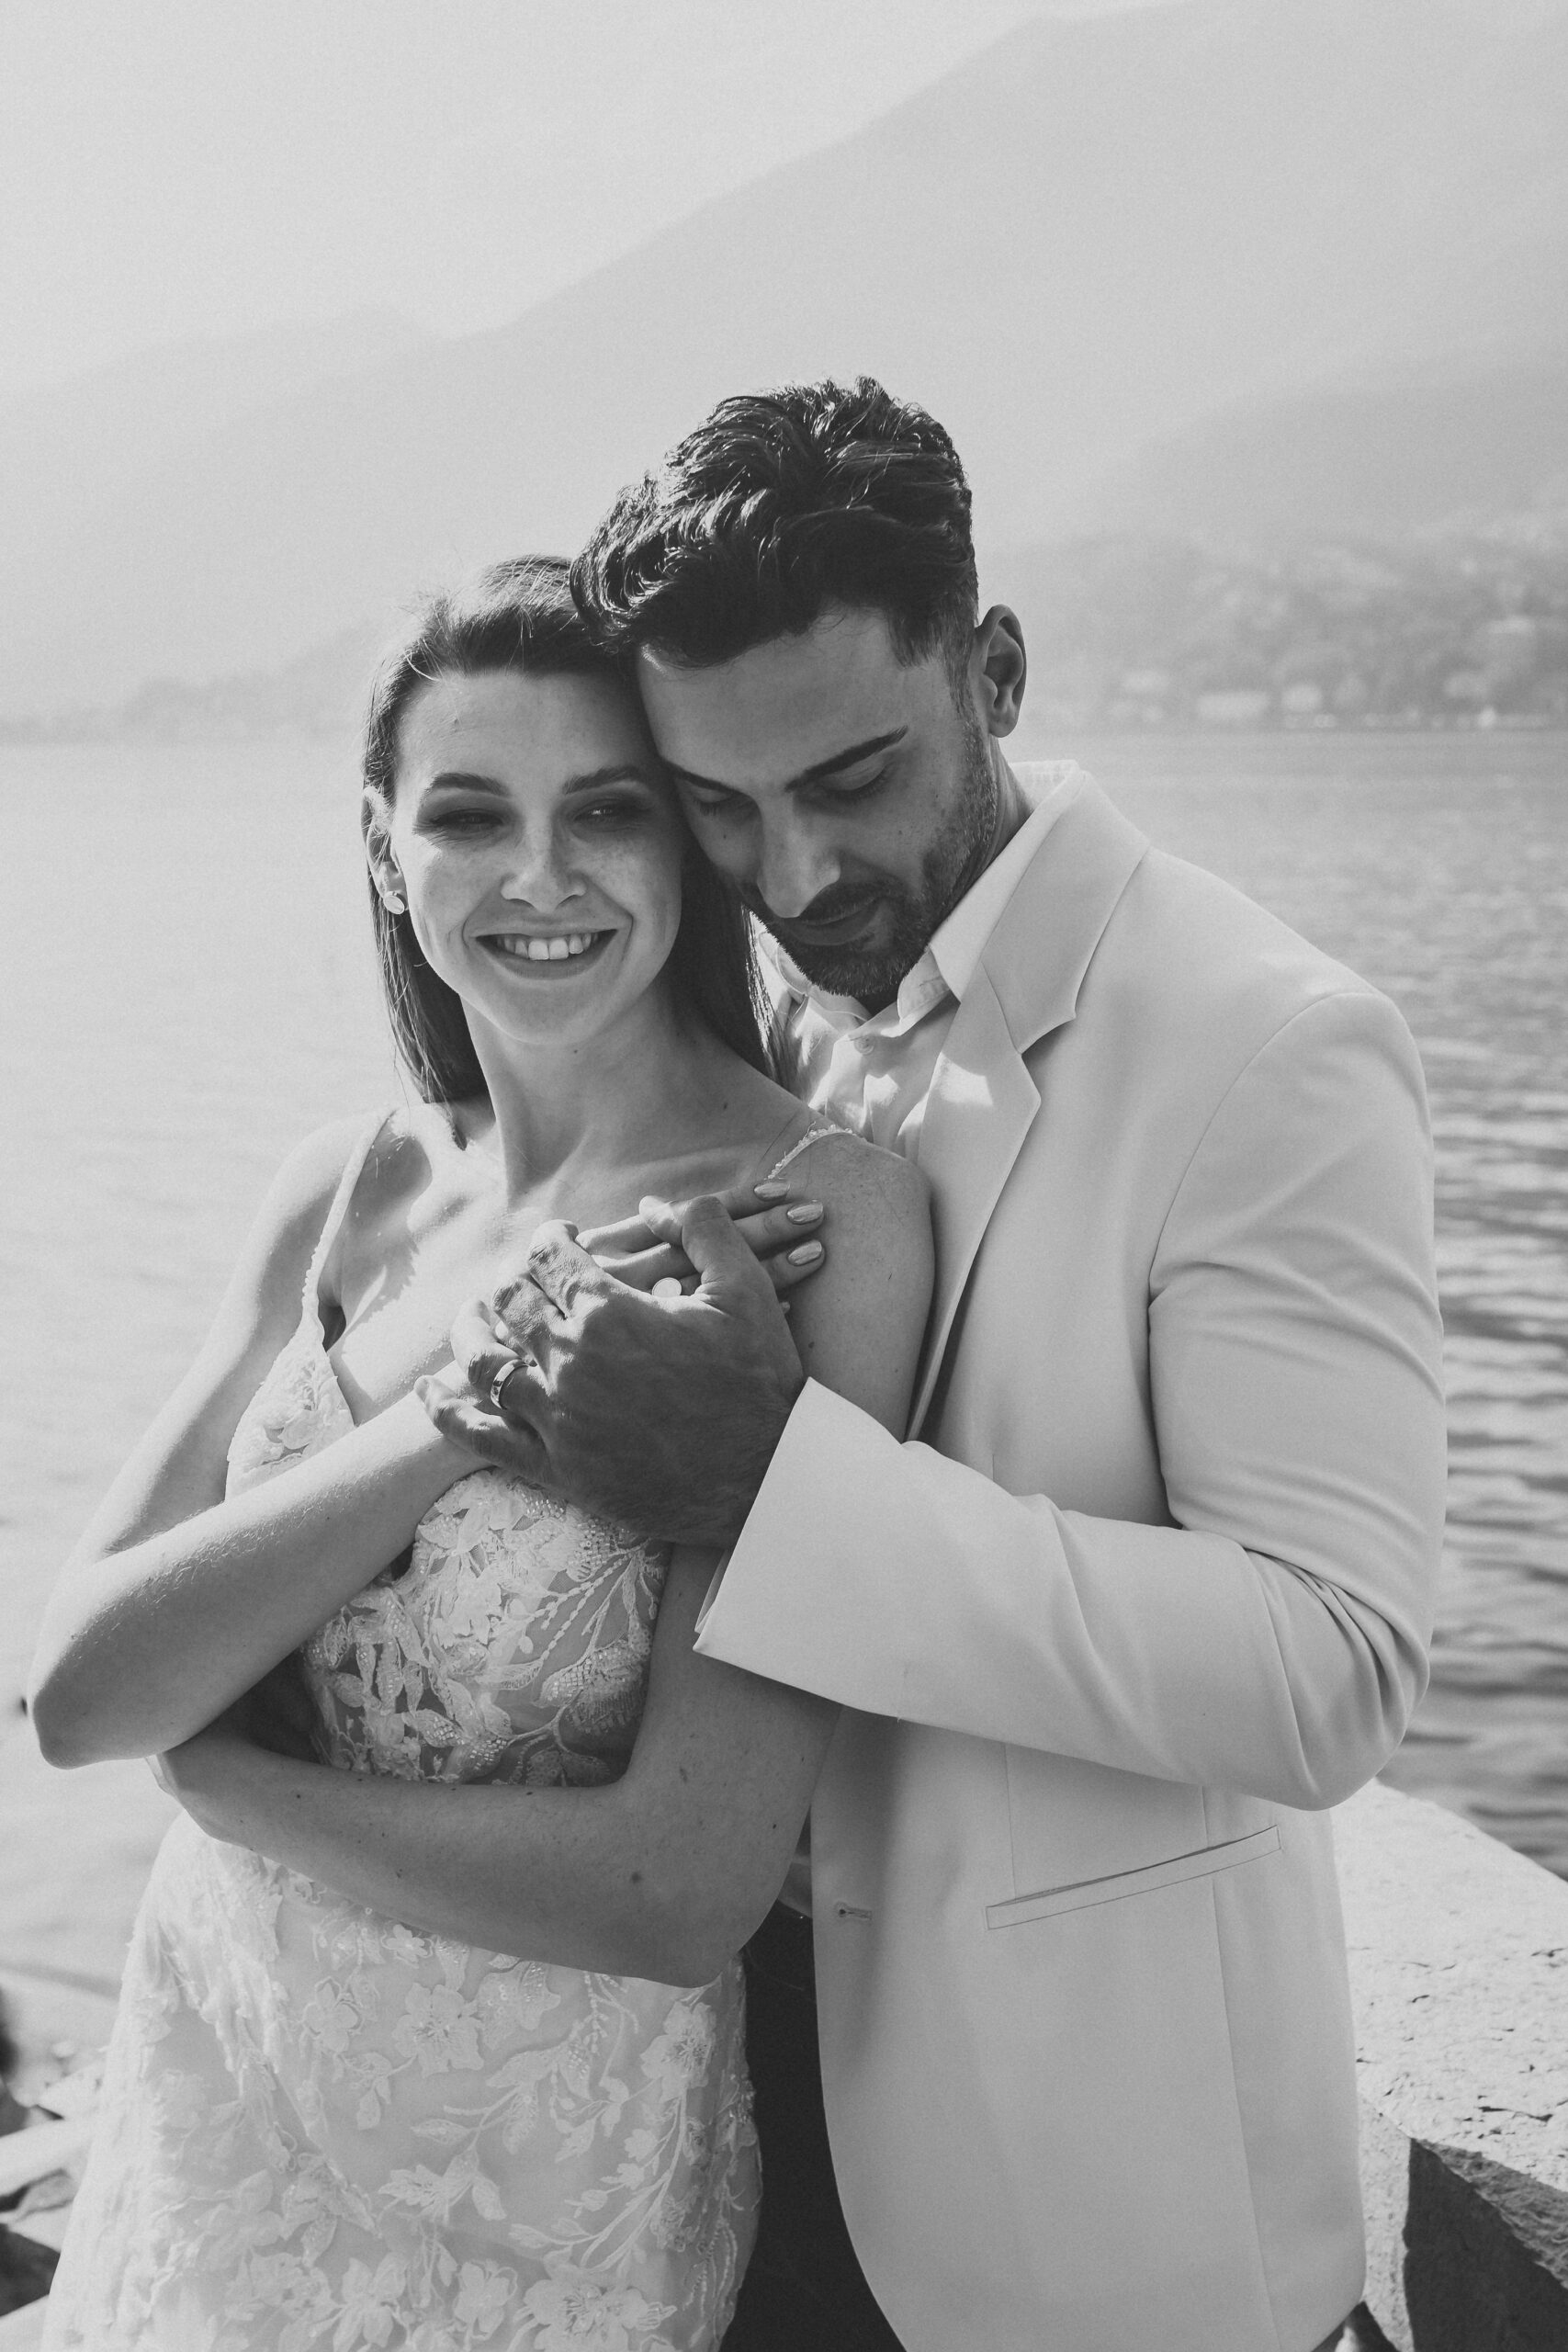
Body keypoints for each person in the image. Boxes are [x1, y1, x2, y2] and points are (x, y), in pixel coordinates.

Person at [410, 380, 1446, 2352]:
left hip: (1083, 2221)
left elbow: (1330, 1667)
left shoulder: (1263, 1041)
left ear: (993, 669)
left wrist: (772, 1484)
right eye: (716, 805)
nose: (789, 873)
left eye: (851, 775)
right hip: (724, 2153)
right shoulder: (763, 1033)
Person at [27, 557, 932, 2351]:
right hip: (211, 2124)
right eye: (468, 813)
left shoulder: (811, 1219)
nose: (539, 875)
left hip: (522, 2214)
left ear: (685, 841)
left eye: (604, 809)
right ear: (384, 849)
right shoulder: (344, 1187)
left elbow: (682, 1880)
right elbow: (75, 1690)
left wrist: (237, 1791)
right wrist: (460, 1404)